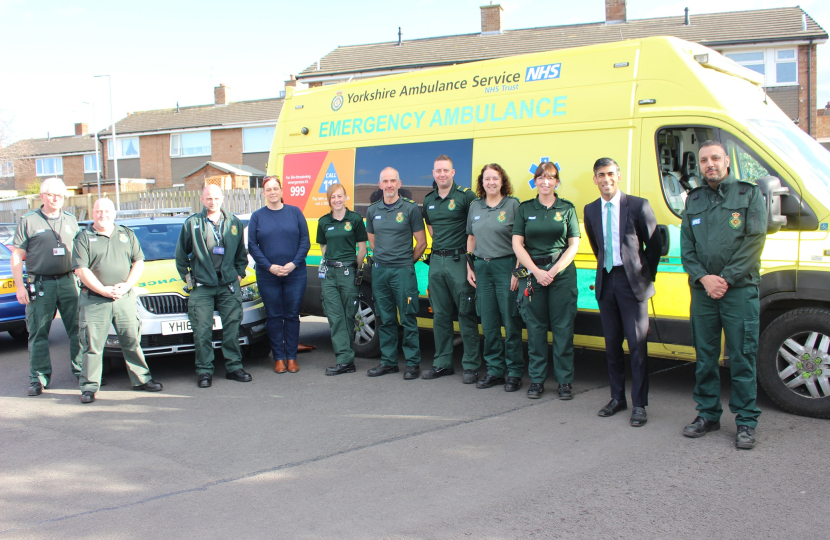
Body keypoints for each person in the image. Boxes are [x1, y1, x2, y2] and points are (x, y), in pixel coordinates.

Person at [680, 141, 767, 449]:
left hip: (739, 291)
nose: (709, 164)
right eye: (704, 160)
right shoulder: (694, 199)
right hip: (704, 292)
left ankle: (745, 422)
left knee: (742, 356)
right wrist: (705, 278)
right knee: (705, 358)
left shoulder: (749, 194)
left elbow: (754, 242)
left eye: (715, 158)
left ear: (727, 161)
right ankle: (707, 414)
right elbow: (686, 248)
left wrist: (725, 279)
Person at [584, 158, 662, 427]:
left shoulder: (638, 205)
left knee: (637, 347)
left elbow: (654, 245)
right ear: (594, 179)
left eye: (610, 174)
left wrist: (643, 278)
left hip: (633, 284)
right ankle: (617, 399)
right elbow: (597, 246)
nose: (606, 179)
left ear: (618, 176)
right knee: (612, 345)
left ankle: (639, 404)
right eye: (600, 175)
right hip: (607, 282)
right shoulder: (591, 209)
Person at [72, 198, 162, 403]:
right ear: (92, 213)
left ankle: (141, 379)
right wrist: (102, 290)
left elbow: (138, 262)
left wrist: (127, 285)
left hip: (124, 298)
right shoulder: (84, 237)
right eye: (98, 211)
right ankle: (89, 387)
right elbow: (81, 270)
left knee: (132, 340)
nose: (102, 215)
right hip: (94, 300)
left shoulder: (126, 234)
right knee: (92, 346)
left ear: (114, 213)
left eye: (106, 211)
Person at [512, 162, 580, 400]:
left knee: (563, 330)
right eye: (540, 178)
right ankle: (537, 380)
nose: (545, 182)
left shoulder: (568, 208)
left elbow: (573, 245)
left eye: (550, 178)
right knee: (536, 329)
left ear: (557, 182)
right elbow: (517, 244)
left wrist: (554, 271)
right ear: (535, 182)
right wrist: (537, 272)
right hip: (533, 274)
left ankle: (564, 382)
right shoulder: (525, 208)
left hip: (561, 275)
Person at [11, 177, 83, 396]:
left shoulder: (71, 220)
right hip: (41, 283)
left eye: (60, 195)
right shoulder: (29, 220)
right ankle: (38, 379)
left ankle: (82, 374)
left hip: (69, 282)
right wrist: (19, 287)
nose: (55, 199)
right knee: (38, 332)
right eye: (51, 194)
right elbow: (16, 256)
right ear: (41, 196)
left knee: (77, 330)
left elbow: (82, 252)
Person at [175, 184, 252, 388]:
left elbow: (241, 255)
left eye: (216, 198)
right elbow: (181, 256)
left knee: (232, 328)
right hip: (202, 286)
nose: (213, 202)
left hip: (228, 285)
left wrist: (239, 273)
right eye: (209, 198)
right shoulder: (192, 224)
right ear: (202, 200)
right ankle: (204, 371)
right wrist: (188, 279)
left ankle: (234, 367)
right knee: (202, 330)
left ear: (222, 199)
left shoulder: (233, 222)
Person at [421, 155, 480, 383]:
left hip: (460, 261)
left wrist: (469, 261)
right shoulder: (428, 200)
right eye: (438, 171)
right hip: (436, 261)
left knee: (466, 312)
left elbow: (474, 230)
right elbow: (431, 228)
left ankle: (471, 366)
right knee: (440, 315)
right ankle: (442, 363)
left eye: (446, 170)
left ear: (453, 172)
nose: (442, 174)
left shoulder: (466, 197)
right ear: (433, 174)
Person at [466, 164, 524, 391]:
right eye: (487, 178)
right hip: (482, 269)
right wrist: (469, 267)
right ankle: (495, 370)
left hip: (506, 266)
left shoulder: (512, 205)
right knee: (489, 324)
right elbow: (471, 238)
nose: (491, 182)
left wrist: (518, 272)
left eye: (495, 178)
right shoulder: (475, 207)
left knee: (510, 322)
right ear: (482, 182)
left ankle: (515, 373)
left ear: (502, 181)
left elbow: (521, 241)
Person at [365, 167, 427, 379]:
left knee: (408, 317)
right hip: (380, 273)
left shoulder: (410, 209)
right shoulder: (373, 211)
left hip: (403, 273)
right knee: (385, 318)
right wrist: (385, 260)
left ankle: (412, 364)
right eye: (385, 181)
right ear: (380, 185)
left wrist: (406, 263)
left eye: (393, 181)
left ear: (399, 184)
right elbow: (372, 242)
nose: (389, 185)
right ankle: (389, 362)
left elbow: (422, 242)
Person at [248, 176, 310, 374]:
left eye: (276, 188)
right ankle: (279, 359)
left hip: (295, 274)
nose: (272, 192)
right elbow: (252, 246)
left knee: (292, 315)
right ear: (264, 193)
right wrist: (268, 266)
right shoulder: (257, 216)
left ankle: (291, 357)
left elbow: (305, 241)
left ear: (282, 191)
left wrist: (293, 264)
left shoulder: (295, 212)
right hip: (268, 276)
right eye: (268, 189)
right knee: (274, 316)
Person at [317, 183, 368, 375]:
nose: (336, 200)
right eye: (333, 197)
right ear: (329, 200)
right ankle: (344, 360)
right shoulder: (323, 222)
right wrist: (332, 262)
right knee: (335, 316)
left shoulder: (354, 219)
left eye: (340, 196)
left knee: (348, 315)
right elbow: (324, 248)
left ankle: (346, 358)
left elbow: (362, 249)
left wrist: (352, 266)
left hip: (348, 272)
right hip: (329, 274)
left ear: (346, 197)